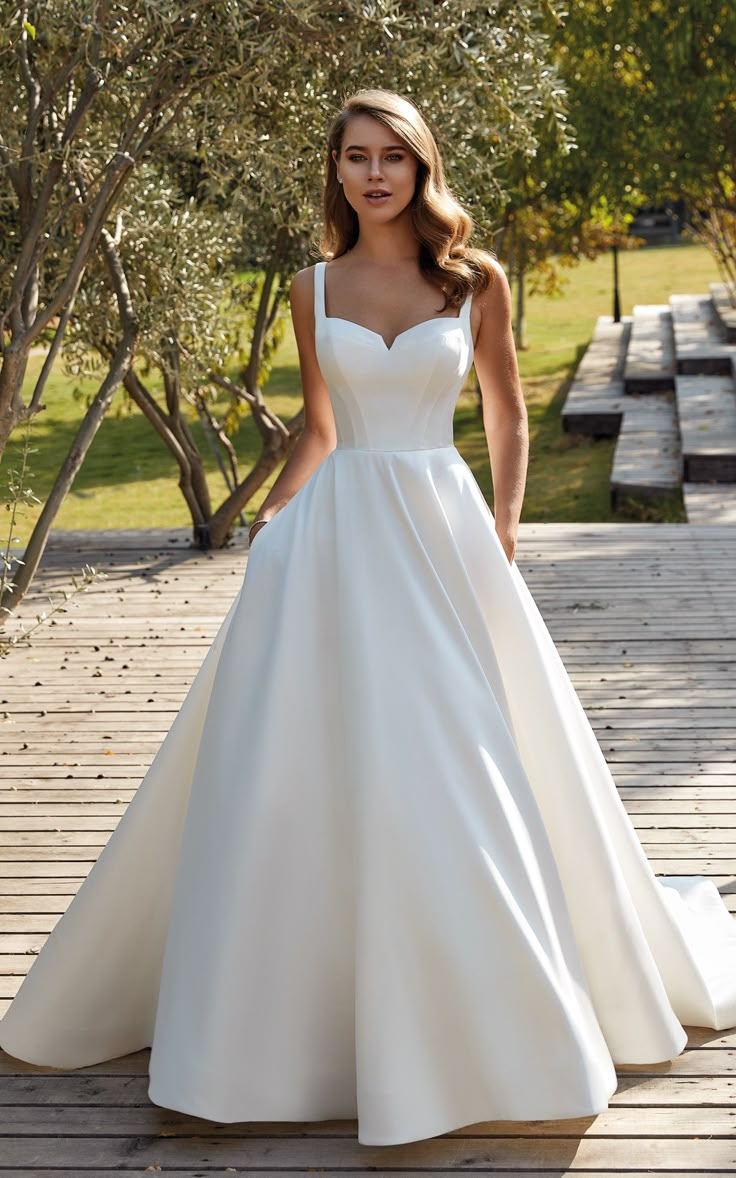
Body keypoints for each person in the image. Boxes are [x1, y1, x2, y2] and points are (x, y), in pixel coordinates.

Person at [1, 88, 735, 1149]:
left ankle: (492, 1017)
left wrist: (507, 523)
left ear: (419, 165)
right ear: (337, 172)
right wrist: (274, 513)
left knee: (461, 753)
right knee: (306, 759)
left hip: (440, 533)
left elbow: (505, 407)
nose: (375, 173)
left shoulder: (472, 280)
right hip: (335, 538)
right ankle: (293, 1026)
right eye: (356, 156)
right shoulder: (310, 285)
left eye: (393, 155)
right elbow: (322, 421)